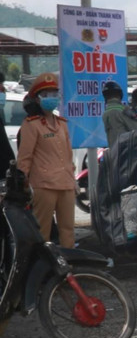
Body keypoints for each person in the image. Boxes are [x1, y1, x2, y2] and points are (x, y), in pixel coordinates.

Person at [16, 73, 76, 247]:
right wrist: (23, 185)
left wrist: (73, 180)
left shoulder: (62, 123)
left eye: (54, 94)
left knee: (68, 230)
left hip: (66, 184)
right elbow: (24, 159)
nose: (51, 98)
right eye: (46, 94)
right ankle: (42, 269)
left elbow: (68, 155)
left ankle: (69, 268)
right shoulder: (31, 124)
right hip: (44, 186)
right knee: (42, 231)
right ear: (37, 99)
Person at [102, 80, 137, 148]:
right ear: (120, 95)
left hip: (113, 151)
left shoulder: (106, 112)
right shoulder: (123, 110)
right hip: (126, 152)